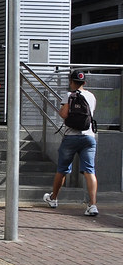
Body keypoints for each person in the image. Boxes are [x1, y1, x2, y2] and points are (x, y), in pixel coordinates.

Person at [43, 70, 99, 216]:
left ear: (71, 82)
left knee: (62, 170)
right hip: (89, 137)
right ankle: (92, 205)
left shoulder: (69, 95)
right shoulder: (91, 96)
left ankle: (53, 199)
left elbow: (63, 114)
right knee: (89, 170)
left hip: (71, 137)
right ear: (84, 82)